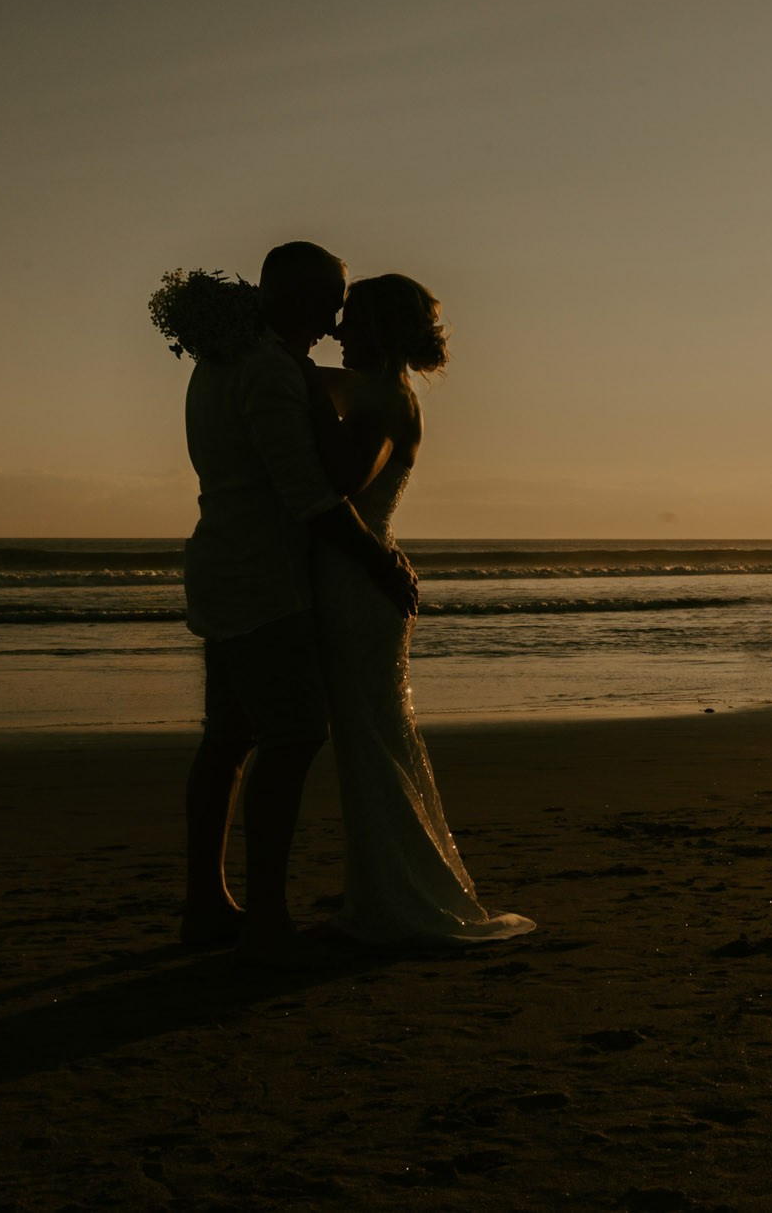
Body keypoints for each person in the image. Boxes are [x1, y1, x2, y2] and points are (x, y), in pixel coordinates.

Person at [176, 242, 419, 966]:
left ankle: (207, 902)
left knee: (228, 738)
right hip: (264, 580)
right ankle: (266, 916)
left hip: (221, 565)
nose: (333, 318)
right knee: (290, 735)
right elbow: (311, 496)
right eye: (327, 303)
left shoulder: (219, 362)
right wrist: (380, 560)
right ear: (293, 298)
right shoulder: (270, 372)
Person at [294, 273, 533, 946]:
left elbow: (343, 478)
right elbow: (309, 378)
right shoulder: (372, 390)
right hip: (353, 582)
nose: (338, 332)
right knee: (373, 735)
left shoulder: (388, 400)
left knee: (371, 738)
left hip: (357, 588)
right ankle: (382, 888)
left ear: (379, 329)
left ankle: (395, 898)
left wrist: (310, 398)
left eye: (351, 321)